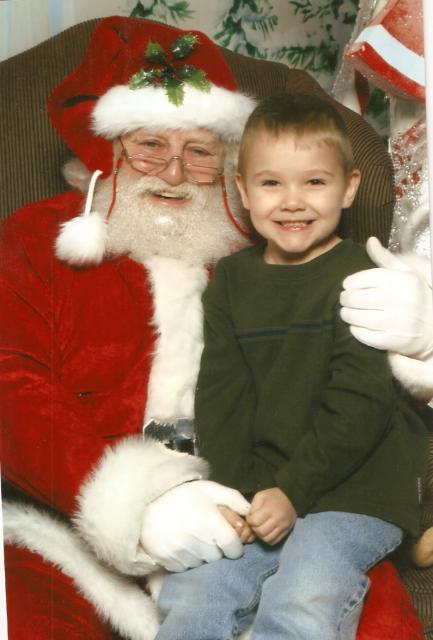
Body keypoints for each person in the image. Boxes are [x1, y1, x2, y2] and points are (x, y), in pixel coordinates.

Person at [0, 14, 426, 640]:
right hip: (69, 526)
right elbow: (11, 383)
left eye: (198, 152)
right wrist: (135, 502)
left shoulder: (270, 247)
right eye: (149, 146)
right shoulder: (37, 240)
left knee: (362, 618)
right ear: (108, 149)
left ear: (228, 165)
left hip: (267, 502)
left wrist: (425, 340)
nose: (172, 173)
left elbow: (356, 388)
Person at [155, 93, 427, 640]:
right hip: (266, 488)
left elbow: (360, 405)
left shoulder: (361, 276)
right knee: (195, 593)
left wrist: (293, 492)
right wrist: (239, 496)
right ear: (242, 189)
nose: (292, 202)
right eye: (272, 183)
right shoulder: (230, 282)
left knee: (303, 594)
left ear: (348, 188)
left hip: (357, 487)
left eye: (314, 183)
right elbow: (222, 399)